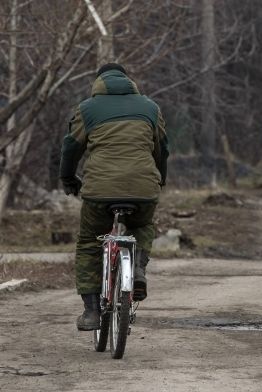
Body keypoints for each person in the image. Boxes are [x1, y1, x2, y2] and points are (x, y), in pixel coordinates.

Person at [59, 63, 169, 331]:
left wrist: (68, 179)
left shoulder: (87, 109)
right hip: (143, 188)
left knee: (88, 242)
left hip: (99, 192)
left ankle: (92, 312)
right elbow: (162, 150)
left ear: (98, 83)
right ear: (129, 81)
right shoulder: (150, 108)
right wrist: (158, 181)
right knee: (142, 225)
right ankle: (138, 269)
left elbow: (71, 148)